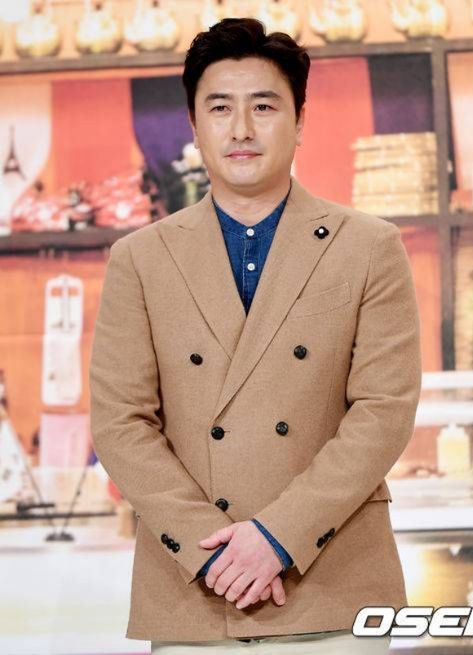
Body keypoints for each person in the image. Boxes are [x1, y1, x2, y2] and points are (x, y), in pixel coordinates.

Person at [89, 16, 422, 655]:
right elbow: (120, 422)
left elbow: (384, 411)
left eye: (264, 106)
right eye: (220, 108)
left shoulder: (369, 247)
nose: (241, 128)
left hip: (332, 587)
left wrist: (277, 537)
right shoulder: (140, 258)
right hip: (194, 587)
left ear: (299, 121)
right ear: (194, 127)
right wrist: (212, 552)